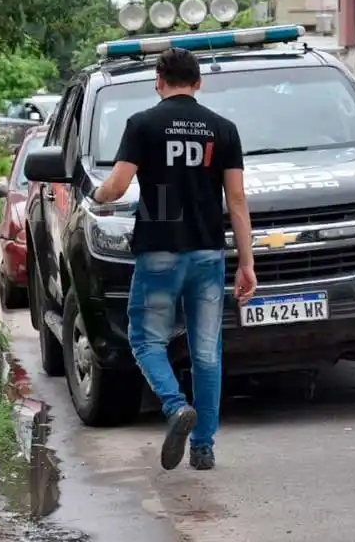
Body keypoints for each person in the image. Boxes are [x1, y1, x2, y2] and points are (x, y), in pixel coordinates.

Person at [91, 47, 257, 471]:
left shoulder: (143, 124)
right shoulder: (224, 130)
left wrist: (95, 196)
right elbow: (235, 199)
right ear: (198, 82)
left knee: (146, 339)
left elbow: (118, 184)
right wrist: (246, 262)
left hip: (160, 249)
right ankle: (203, 447)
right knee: (206, 352)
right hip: (207, 251)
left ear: (159, 81)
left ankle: (173, 405)